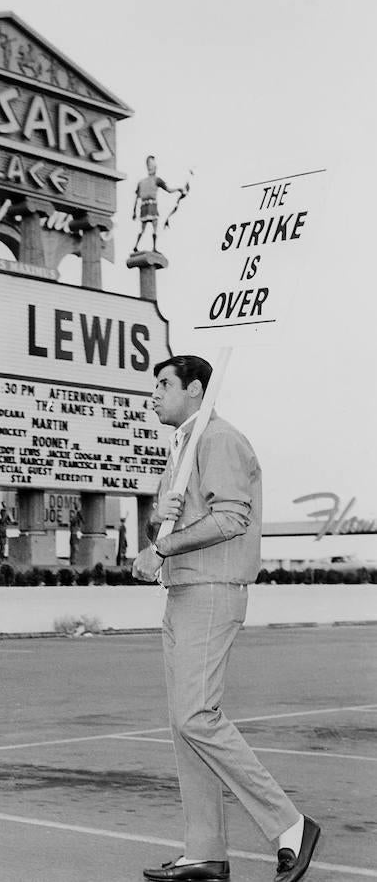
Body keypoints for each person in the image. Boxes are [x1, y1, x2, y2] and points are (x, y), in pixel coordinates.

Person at [133, 355, 320, 882]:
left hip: (212, 591)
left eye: (164, 385)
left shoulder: (219, 440)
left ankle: (290, 825)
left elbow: (231, 518)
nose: (155, 395)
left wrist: (163, 545)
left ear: (196, 389)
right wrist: (158, 524)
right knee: (183, 725)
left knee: (197, 716)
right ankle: (204, 852)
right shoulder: (184, 448)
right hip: (184, 592)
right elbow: (173, 523)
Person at [132, 156, 183, 254]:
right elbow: (168, 190)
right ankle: (153, 247)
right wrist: (178, 189)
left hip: (143, 206)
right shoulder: (155, 180)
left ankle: (136, 246)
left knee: (142, 228)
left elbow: (136, 198)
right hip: (151, 206)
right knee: (154, 226)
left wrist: (134, 211)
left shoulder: (142, 182)